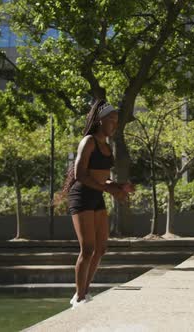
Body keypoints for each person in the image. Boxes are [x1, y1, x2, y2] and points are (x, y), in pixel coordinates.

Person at [61, 99, 133, 308]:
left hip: (96, 196)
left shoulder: (106, 146)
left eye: (117, 121)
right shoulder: (89, 141)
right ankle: (79, 297)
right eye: (111, 119)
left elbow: (103, 178)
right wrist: (107, 188)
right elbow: (80, 173)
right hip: (82, 196)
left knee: (101, 248)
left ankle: (84, 292)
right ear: (100, 120)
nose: (115, 124)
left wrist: (118, 186)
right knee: (88, 248)